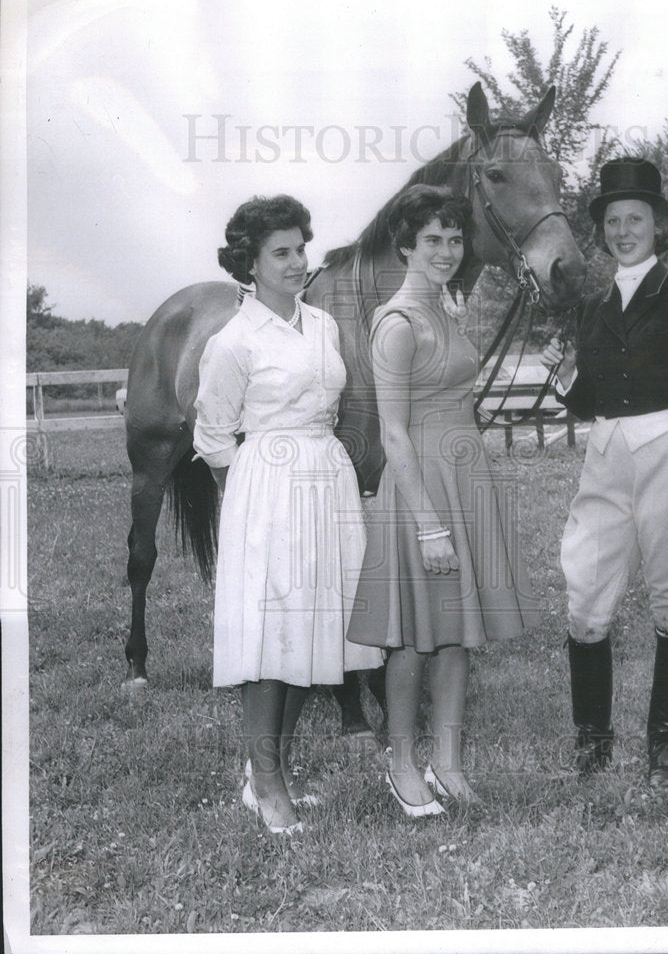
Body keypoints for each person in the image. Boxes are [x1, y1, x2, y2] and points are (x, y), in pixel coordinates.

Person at [347, 184, 539, 816]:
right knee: (412, 637)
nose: (447, 251)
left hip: (466, 479)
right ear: (405, 246)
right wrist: (429, 526)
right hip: (420, 488)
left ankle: (447, 761)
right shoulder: (396, 322)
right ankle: (401, 764)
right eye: (432, 240)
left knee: (456, 634)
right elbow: (392, 430)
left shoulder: (447, 309)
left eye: (455, 239)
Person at [193, 195, 383, 834]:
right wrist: (253, 502)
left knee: (312, 633)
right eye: (282, 252)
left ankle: (262, 773)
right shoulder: (233, 341)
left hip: (326, 480)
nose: (299, 261)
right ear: (249, 263)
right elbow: (214, 436)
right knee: (269, 637)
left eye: (302, 247)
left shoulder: (323, 324)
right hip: (268, 491)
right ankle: (267, 782)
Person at [540, 157, 668, 788]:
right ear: (603, 231)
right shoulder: (592, 309)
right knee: (586, 603)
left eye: (636, 219)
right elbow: (592, 401)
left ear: (658, 224)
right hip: (605, 460)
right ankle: (592, 741)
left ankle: (664, 746)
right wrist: (565, 377)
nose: (624, 230)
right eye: (613, 221)